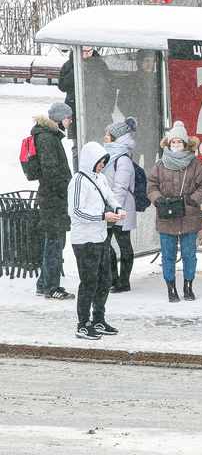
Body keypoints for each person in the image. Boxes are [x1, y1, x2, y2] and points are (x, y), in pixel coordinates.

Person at [146, 121, 202, 302]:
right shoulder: (160, 165)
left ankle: (188, 287)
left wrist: (191, 201)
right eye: (173, 142)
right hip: (166, 217)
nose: (176, 145)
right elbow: (151, 186)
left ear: (185, 144)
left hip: (189, 216)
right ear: (168, 144)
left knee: (189, 254)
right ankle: (171, 288)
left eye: (179, 142)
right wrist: (159, 200)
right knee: (168, 255)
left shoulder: (195, 164)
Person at [68, 142, 126, 339]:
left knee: (105, 279)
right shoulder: (78, 180)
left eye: (104, 162)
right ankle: (83, 323)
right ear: (90, 160)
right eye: (99, 162)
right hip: (85, 240)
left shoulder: (100, 178)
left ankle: (98, 318)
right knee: (89, 282)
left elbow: (109, 196)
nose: (102, 165)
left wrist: (117, 208)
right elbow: (75, 211)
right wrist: (103, 216)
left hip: (100, 238)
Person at [33, 103, 74, 300]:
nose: (70, 121)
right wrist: (64, 191)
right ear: (59, 118)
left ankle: (44, 284)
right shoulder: (48, 139)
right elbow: (51, 172)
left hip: (52, 197)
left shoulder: (48, 136)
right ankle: (50, 287)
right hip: (53, 199)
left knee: (54, 242)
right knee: (55, 244)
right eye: (68, 117)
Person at [58, 46, 117, 172]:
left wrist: (108, 108)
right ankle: (79, 173)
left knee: (97, 144)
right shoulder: (69, 65)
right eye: (84, 52)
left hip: (97, 111)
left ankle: (97, 173)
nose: (87, 55)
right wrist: (76, 68)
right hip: (76, 111)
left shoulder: (100, 65)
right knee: (77, 147)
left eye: (89, 51)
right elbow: (62, 85)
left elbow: (110, 87)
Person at [102, 117, 138, 293]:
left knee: (124, 245)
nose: (105, 137)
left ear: (117, 138)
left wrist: (116, 210)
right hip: (111, 208)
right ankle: (113, 279)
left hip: (120, 209)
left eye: (108, 135)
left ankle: (123, 281)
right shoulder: (110, 156)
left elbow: (121, 188)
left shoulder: (122, 159)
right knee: (106, 245)